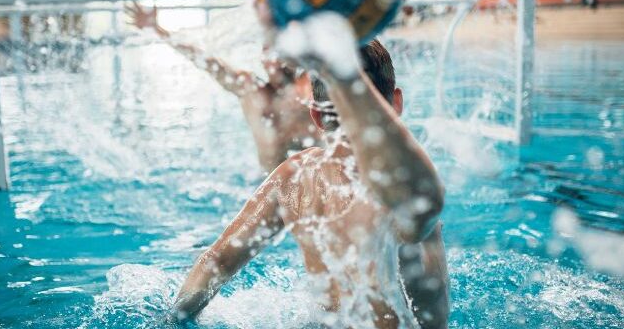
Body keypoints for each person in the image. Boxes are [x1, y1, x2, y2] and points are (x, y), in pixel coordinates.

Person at [170, 35, 449, 328]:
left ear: (316, 116)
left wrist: (171, 319)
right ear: (397, 103)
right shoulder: (400, 185)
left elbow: (216, 263)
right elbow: (429, 195)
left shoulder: (294, 175)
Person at [126, 3, 320, 173]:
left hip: (311, 182)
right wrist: (159, 31)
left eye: (278, 53)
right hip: (268, 185)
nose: (274, 60)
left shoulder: (308, 88)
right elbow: (206, 62)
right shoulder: (251, 89)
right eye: (268, 52)